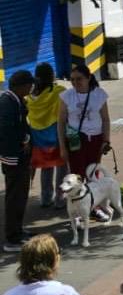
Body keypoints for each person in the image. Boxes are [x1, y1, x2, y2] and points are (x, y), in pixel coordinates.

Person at [57, 61, 110, 178]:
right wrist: (62, 148)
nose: (75, 83)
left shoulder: (100, 94)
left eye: (79, 79)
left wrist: (106, 140)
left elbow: (105, 120)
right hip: (75, 140)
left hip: (96, 140)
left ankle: (92, 196)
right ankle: (79, 196)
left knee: (93, 176)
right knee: (76, 176)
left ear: (88, 78)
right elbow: (61, 122)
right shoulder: (66, 96)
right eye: (72, 79)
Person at [0, 69, 33, 251]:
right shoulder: (7, 102)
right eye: (29, 85)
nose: (31, 88)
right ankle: (12, 238)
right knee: (14, 197)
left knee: (21, 195)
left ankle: (19, 230)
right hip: (13, 158)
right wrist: (24, 140)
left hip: (20, 157)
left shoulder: (16, 100)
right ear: (22, 86)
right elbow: (6, 130)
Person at [26, 63, 65, 210]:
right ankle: (60, 199)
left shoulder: (30, 97)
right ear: (51, 76)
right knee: (62, 168)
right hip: (56, 135)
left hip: (39, 138)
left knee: (46, 168)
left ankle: (45, 198)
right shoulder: (58, 91)